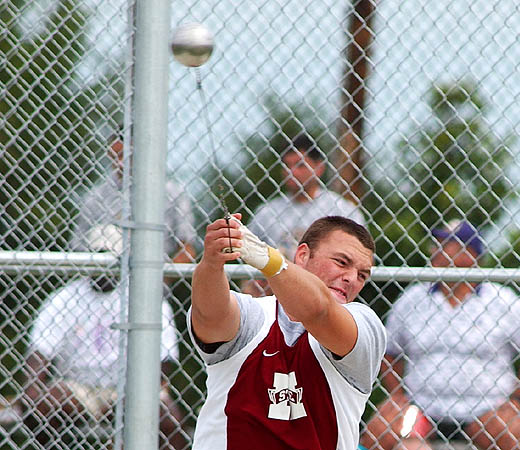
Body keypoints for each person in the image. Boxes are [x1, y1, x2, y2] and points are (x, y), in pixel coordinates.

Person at [188, 215, 386, 449]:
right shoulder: (252, 314)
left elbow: (318, 310)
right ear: (302, 256)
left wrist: (268, 259)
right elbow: (210, 316)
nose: (352, 278)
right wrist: (212, 262)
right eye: (341, 262)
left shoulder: (364, 326)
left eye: (362, 275)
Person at [362, 220, 520, 450]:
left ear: (469, 254)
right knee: (378, 432)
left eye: (444, 245)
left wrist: (516, 399)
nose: (434, 250)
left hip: (486, 409)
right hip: (421, 406)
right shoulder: (412, 298)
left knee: (509, 432)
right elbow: (388, 352)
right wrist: (397, 394)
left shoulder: (503, 300)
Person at [22, 224, 187, 449]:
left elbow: (163, 362)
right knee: (42, 403)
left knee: (170, 418)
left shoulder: (144, 297)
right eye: (97, 257)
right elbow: (39, 354)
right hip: (77, 389)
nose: (103, 266)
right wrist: (32, 394)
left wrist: (138, 393)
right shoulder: (65, 298)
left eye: (109, 259)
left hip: (131, 388)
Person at [244, 133, 365, 295]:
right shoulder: (267, 212)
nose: (292, 172)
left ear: (319, 168)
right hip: (276, 298)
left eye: (300, 165)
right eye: (287, 165)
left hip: (325, 298)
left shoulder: (341, 210)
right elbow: (248, 268)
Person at [71, 129, 196, 267]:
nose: (120, 163)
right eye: (116, 156)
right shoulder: (96, 197)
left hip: (152, 276)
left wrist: (156, 278)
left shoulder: (172, 194)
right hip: (100, 277)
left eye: (126, 156)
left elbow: (187, 250)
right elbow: (78, 246)